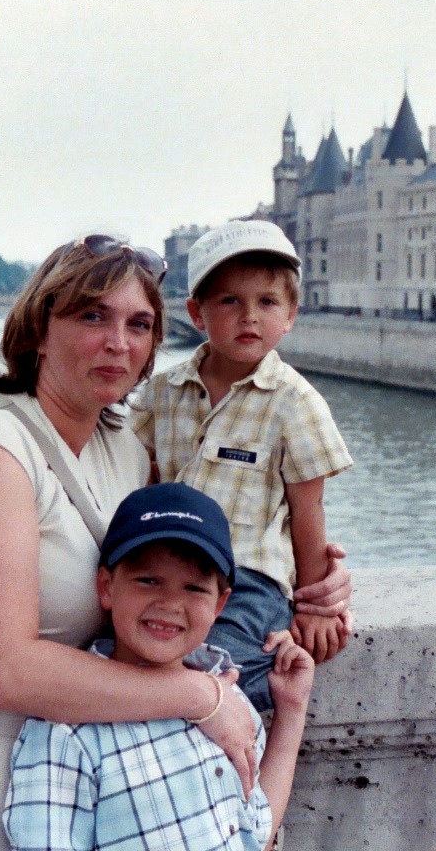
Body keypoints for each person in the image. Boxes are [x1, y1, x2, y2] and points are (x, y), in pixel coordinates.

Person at [0, 235, 351, 850]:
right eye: (92, 316)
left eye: (139, 325)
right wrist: (204, 694)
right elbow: (5, 670)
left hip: (57, 766)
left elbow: (187, 556)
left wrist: (312, 587)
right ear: (38, 330)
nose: (118, 342)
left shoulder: (123, 450)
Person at [3, 483, 314, 851]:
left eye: (194, 588)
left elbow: (257, 832)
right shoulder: (66, 732)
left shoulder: (229, 702)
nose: (170, 604)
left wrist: (292, 708)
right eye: (149, 581)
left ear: (219, 604)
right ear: (107, 587)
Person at [131, 220, 353, 711]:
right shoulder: (162, 393)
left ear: (290, 315)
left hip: (247, 578)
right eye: (230, 301)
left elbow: (308, 511)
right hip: (166, 568)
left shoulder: (295, 402)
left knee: (219, 661)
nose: (249, 317)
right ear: (197, 313)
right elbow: (144, 480)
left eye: (267, 302)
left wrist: (314, 605)